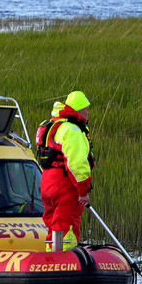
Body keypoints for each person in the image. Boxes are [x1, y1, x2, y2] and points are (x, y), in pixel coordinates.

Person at [40, 91, 94, 252]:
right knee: (66, 227)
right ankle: (65, 265)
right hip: (64, 185)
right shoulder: (72, 130)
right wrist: (83, 191)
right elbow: (76, 164)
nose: (88, 112)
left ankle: (51, 259)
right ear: (79, 110)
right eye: (86, 109)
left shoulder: (56, 126)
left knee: (53, 227)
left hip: (47, 184)